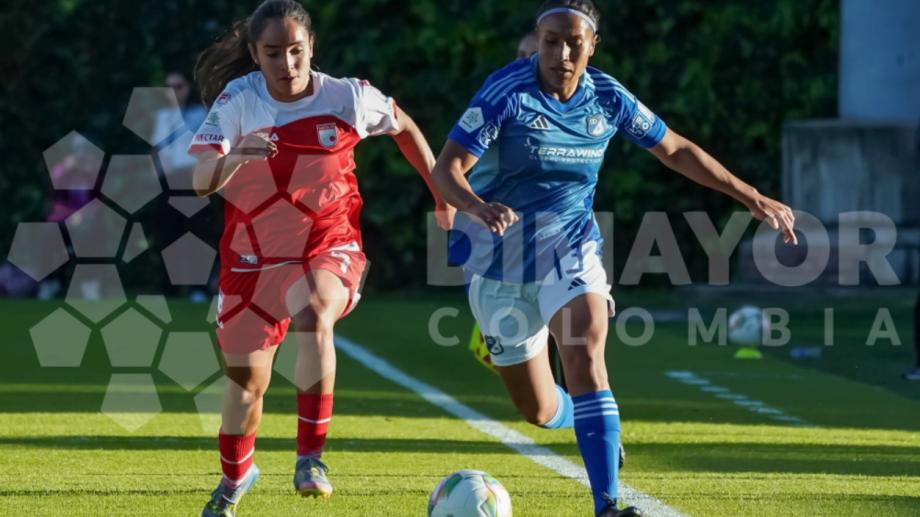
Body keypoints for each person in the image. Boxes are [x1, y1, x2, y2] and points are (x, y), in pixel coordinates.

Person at [431, 1, 797, 515]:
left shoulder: (606, 95)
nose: (559, 53)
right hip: (499, 264)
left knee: (583, 355)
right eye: (550, 40)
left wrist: (749, 194)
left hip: (571, 248)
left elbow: (673, 148)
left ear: (592, 45)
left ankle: (607, 504)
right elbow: (447, 168)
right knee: (536, 408)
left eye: (572, 43)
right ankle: (586, 423)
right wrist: (476, 205)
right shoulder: (506, 92)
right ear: (537, 39)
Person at [188, 1, 450, 515]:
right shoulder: (238, 100)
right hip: (253, 258)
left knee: (313, 314)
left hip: (329, 243)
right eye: (272, 53)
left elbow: (403, 126)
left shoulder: (347, 96)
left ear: (311, 48)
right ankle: (234, 480)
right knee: (246, 385)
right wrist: (235, 157)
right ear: (253, 55)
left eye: (296, 51)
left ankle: (310, 457)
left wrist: (440, 192)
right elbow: (200, 182)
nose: (286, 64)